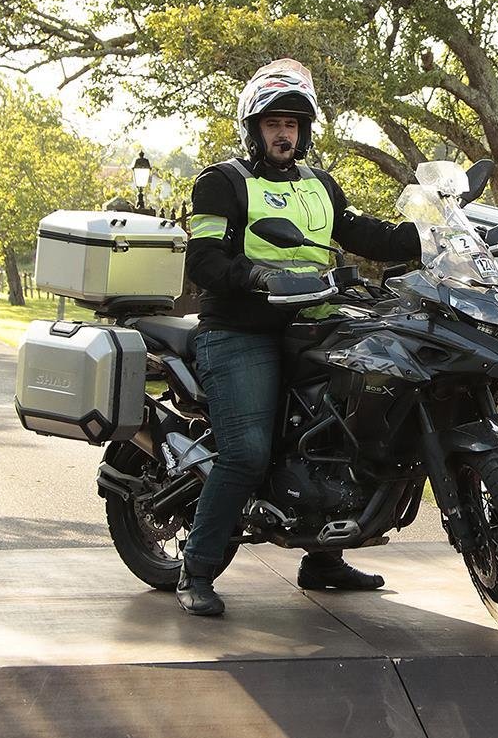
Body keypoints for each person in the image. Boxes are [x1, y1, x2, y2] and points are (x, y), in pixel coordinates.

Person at [179, 58, 422, 617]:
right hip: (241, 330)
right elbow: (204, 259)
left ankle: (324, 559)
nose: (283, 133)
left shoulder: (320, 185)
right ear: (254, 129)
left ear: (305, 130)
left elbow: (365, 234)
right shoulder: (222, 182)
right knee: (246, 453)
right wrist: (258, 277)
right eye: (273, 123)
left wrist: (431, 234)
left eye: (292, 123)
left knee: (342, 438)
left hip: (316, 324)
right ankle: (197, 569)